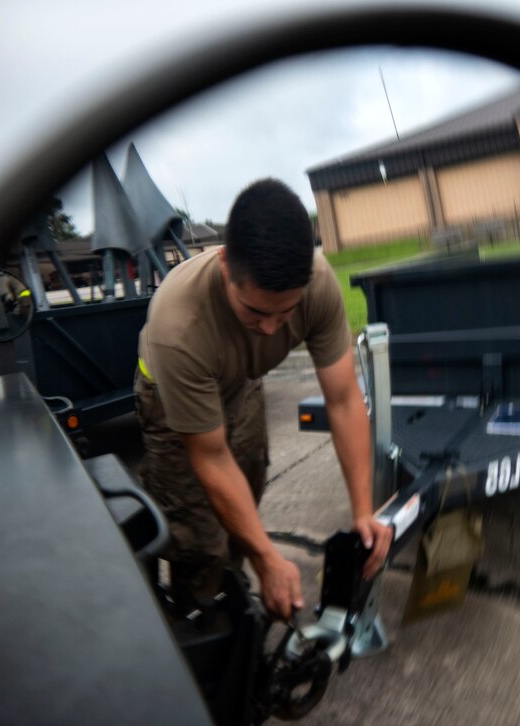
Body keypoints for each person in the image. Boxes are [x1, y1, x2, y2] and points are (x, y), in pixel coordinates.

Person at [134, 178, 392, 621]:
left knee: (246, 497)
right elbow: (210, 458)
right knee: (200, 538)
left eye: (286, 312)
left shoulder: (319, 284)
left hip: (242, 383)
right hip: (170, 398)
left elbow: (345, 399)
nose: (272, 329)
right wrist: (268, 558)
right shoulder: (178, 325)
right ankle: (202, 622)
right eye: (255, 312)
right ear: (223, 264)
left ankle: (234, 596)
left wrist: (364, 511)